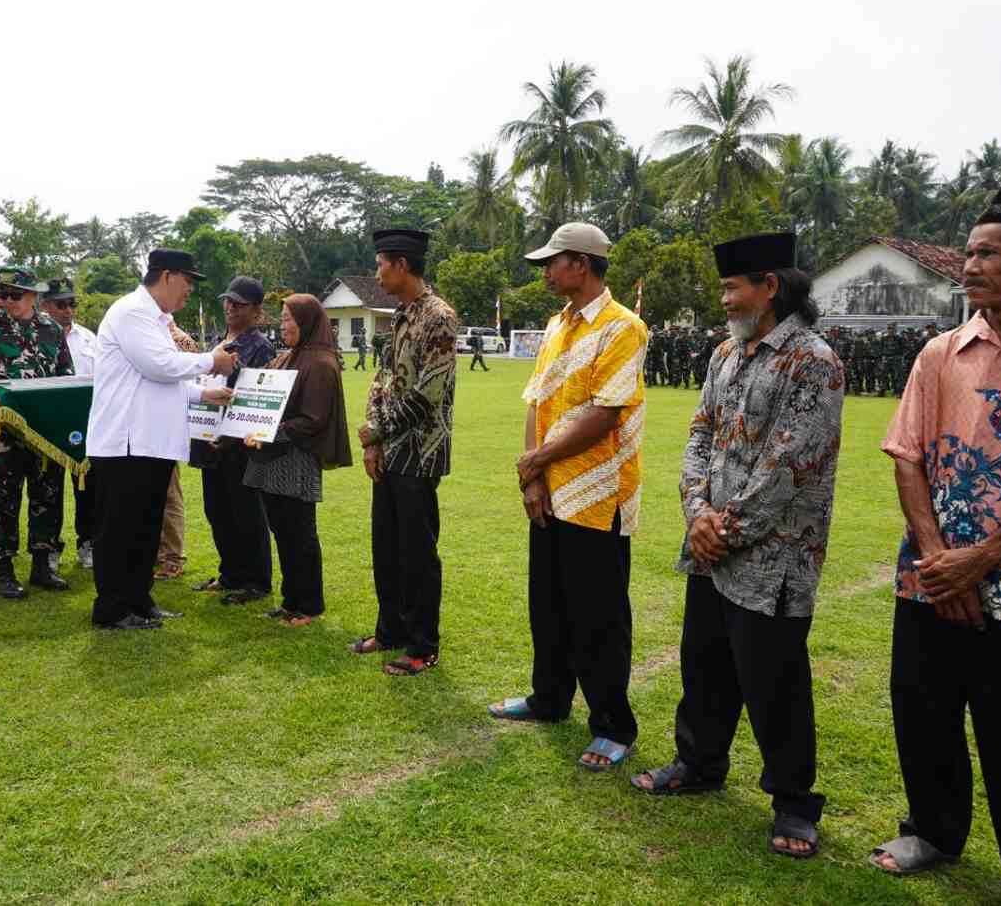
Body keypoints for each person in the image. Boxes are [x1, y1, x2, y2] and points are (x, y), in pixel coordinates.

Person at [630, 232, 844, 861]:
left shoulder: (814, 361)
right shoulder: (725, 354)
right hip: (712, 546)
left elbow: (789, 463)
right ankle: (699, 762)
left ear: (769, 287)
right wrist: (697, 513)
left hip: (775, 555)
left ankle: (794, 802)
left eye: (732, 287)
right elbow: (699, 437)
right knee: (704, 662)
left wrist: (723, 527)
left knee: (773, 679)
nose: (724, 299)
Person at [872, 186, 1001, 902]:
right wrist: (937, 557)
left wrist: (978, 561)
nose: (969, 264)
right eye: (969, 251)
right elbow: (908, 453)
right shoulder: (940, 352)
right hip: (931, 574)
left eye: (988, 253)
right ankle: (934, 829)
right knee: (923, 707)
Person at [488, 222, 647, 774]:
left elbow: (605, 414)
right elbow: (536, 401)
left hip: (599, 495)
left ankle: (611, 725)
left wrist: (538, 461)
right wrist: (533, 475)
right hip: (551, 491)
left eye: (552, 262)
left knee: (598, 617)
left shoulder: (623, 328)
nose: (546, 271)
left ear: (581, 264)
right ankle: (548, 698)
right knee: (548, 605)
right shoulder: (557, 325)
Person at [84, 248, 236, 630]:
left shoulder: (156, 319)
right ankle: (113, 608)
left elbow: (158, 383)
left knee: (146, 529)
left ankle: (139, 599)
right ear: (167, 276)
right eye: (188, 282)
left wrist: (204, 393)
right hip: (126, 443)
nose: (189, 292)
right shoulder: (132, 312)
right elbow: (160, 366)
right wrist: (210, 361)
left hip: (149, 442)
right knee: (121, 530)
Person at [352, 229, 459, 676]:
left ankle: (422, 644)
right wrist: (375, 440)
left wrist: (376, 429)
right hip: (390, 451)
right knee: (387, 546)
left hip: (420, 452)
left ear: (400, 264)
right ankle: (391, 628)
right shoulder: (400, 316)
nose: (376, 272)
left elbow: (427, 393)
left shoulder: (438, 317)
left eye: (380, 263)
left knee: (417, 551)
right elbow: (383, 380)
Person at [240, 294, 351, 624]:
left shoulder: (320, 363)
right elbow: (259, 393)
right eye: (283, 318)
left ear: (306, 322)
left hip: (297, 460)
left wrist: (269, 431)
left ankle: (309, 605)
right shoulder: (291, 357)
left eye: (289, 318)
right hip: (275, 460)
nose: (283, 324)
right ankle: (291, 601)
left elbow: (313, 420)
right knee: (283, 532)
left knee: (300, 534)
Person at [0, 267, 75, 599]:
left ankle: (43, 565)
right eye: (4, 294)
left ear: (33, 297)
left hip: (44, 436)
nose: (7, 300)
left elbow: (66, 377)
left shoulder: (52, 331)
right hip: (5, 435)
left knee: (47, 500)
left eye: (15, 294)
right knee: (3, 502)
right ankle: (5, 571)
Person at [189, 275, 276, 604]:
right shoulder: (217, 340)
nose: (230, 308)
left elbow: (257, 399)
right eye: (227, 301)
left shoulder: (261, 346)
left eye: (238, 304)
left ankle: (256, 580)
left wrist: (230, 434)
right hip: (208, 439)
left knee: (247, 513)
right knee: (217, 509)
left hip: (240, 445)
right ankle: (230, 573)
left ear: (256, 310)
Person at [43, 277, 99, 570]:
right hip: (49, 426)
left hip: (85, 425)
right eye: (61, 304)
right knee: (48, 491)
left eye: (72, 304)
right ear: (45, 305)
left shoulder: (89, 338)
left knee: (88, 490)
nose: (68, 310)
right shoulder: (37, 337)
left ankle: (88, 543)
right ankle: (50, 548)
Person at [154, 321, 203, 580]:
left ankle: (172, 556)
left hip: (166, 428)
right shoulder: (149, 335)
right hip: (144, 429)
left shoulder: (178, 340)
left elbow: (188, 384)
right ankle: (157, 554)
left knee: (169, 495)